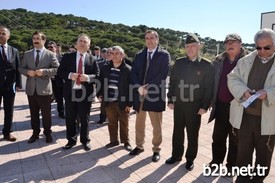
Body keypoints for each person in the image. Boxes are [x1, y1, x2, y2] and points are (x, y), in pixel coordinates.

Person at [228, 28, 275, 182]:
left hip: (268, 120)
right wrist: (243, 91)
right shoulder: (244, 61)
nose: (262, 51)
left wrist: (268, 93)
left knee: (264, 155)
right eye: (258, 47)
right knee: (243, 153)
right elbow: (232, 78)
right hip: (245, 117)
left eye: (266, 47)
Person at [166, 33, 214, 171]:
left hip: (195, 106)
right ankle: (176, 155)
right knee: (177, 132)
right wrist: (170, 99)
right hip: (179, 104)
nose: (190, 48)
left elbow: (209, 88)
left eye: (193, 46)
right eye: (187, 46)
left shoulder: (206, 65)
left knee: (192, 134)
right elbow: (173, 83)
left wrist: (205, 106)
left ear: (199, 46)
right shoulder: (179, 63)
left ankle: (190, 159)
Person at [207, 33, 249, 173]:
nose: (230, 45)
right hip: (221, 105)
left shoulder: (248, 60)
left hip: (239, 106)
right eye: (227, 42)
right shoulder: (218, 60)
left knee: (235, 138)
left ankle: (232, 165)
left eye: (233, 42)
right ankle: (216, 162)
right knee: (218, 137)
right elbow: (211, 82)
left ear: (240, 43)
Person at [129, 30, 171, 162]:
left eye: (152, 38)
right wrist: (138, 87)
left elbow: (163, 74)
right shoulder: (139, 55)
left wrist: (148, 87)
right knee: (139, 123)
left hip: (155, 94)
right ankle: (139, 146)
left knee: (156, 125)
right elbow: (134, 72)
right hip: (140, 93)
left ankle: (156, 149)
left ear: (157, 39)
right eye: (147, 38)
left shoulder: (164, 55)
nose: (149, 40)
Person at [57, 33, 99, 151]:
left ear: (89, 45)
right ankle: (71, 140)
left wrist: (89, 78)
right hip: (71, 92)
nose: (82, 43)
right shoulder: (67, 57)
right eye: (80, 41)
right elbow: (60, 72)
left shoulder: (92, 59)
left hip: (85, 93)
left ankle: (85, 140)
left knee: (85, 118)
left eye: (85, 42)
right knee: (70, 118)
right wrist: (70, 75)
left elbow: (98, 75)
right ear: (76, 44)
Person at [19, 31, 59, 144]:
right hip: (31, 89)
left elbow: (57, 69)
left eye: (38, 38)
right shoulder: (27, 54)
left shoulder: (50, 54)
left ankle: (47, 133)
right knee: (33, 113)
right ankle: (35, 133)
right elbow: (21, 68)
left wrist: (44, 72)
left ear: (44, 40)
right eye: (34, 38)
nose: (35, 40)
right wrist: (27, 72)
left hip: (45, 90)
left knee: (46, 114)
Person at [97, 46, 132, 151]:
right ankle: (113, 141)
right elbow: (100, 81)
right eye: (112, 53)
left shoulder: (128, 69)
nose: (115, 55)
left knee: (124, 123)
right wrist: (99, 94)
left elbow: (132, 88)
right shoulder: (105, 67)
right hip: (109, 101)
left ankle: (126, 142)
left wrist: (129, 104)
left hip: (122, 102)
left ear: (122, 55)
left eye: (117, 53)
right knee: (111, 123)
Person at [0, 25, 22, 142]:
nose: (1, 35)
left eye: (3, 33)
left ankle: (7, 133)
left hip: (9, 86)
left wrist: (19, 84)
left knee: (9, 111)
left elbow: (17, 68)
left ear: (8, 36)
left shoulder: (14, 51)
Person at [47, 41, 65, 119]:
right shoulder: (45, 57)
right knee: (47, 99)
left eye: (51, 47)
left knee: (59, 98)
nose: (50, 48)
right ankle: (47, 114)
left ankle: (61, 113)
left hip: (58, 80)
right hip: (47, 81)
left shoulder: (61, 57)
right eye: (48, 47)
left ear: (55, 48)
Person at [96, 47, 108, 124]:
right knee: (103, 105)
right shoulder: (100, 63)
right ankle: (102, 118)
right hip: (103, 87)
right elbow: (98, 78)